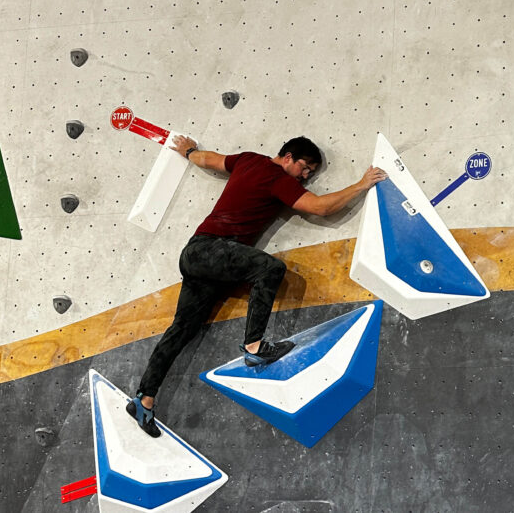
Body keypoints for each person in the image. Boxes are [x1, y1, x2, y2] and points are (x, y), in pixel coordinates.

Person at [126, 134, 386, 437]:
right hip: (214, 250)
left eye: (311, 174)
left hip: (197, 254)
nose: (306, 177)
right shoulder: (278, 178)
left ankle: (143, 399)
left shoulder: (248, 159)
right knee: (270, 268)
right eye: (305, 168)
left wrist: (190, 151)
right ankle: (254, 345)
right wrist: (361, 184)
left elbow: (209, 159)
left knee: (182, 329)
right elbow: (320, 207)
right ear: (288, 157)